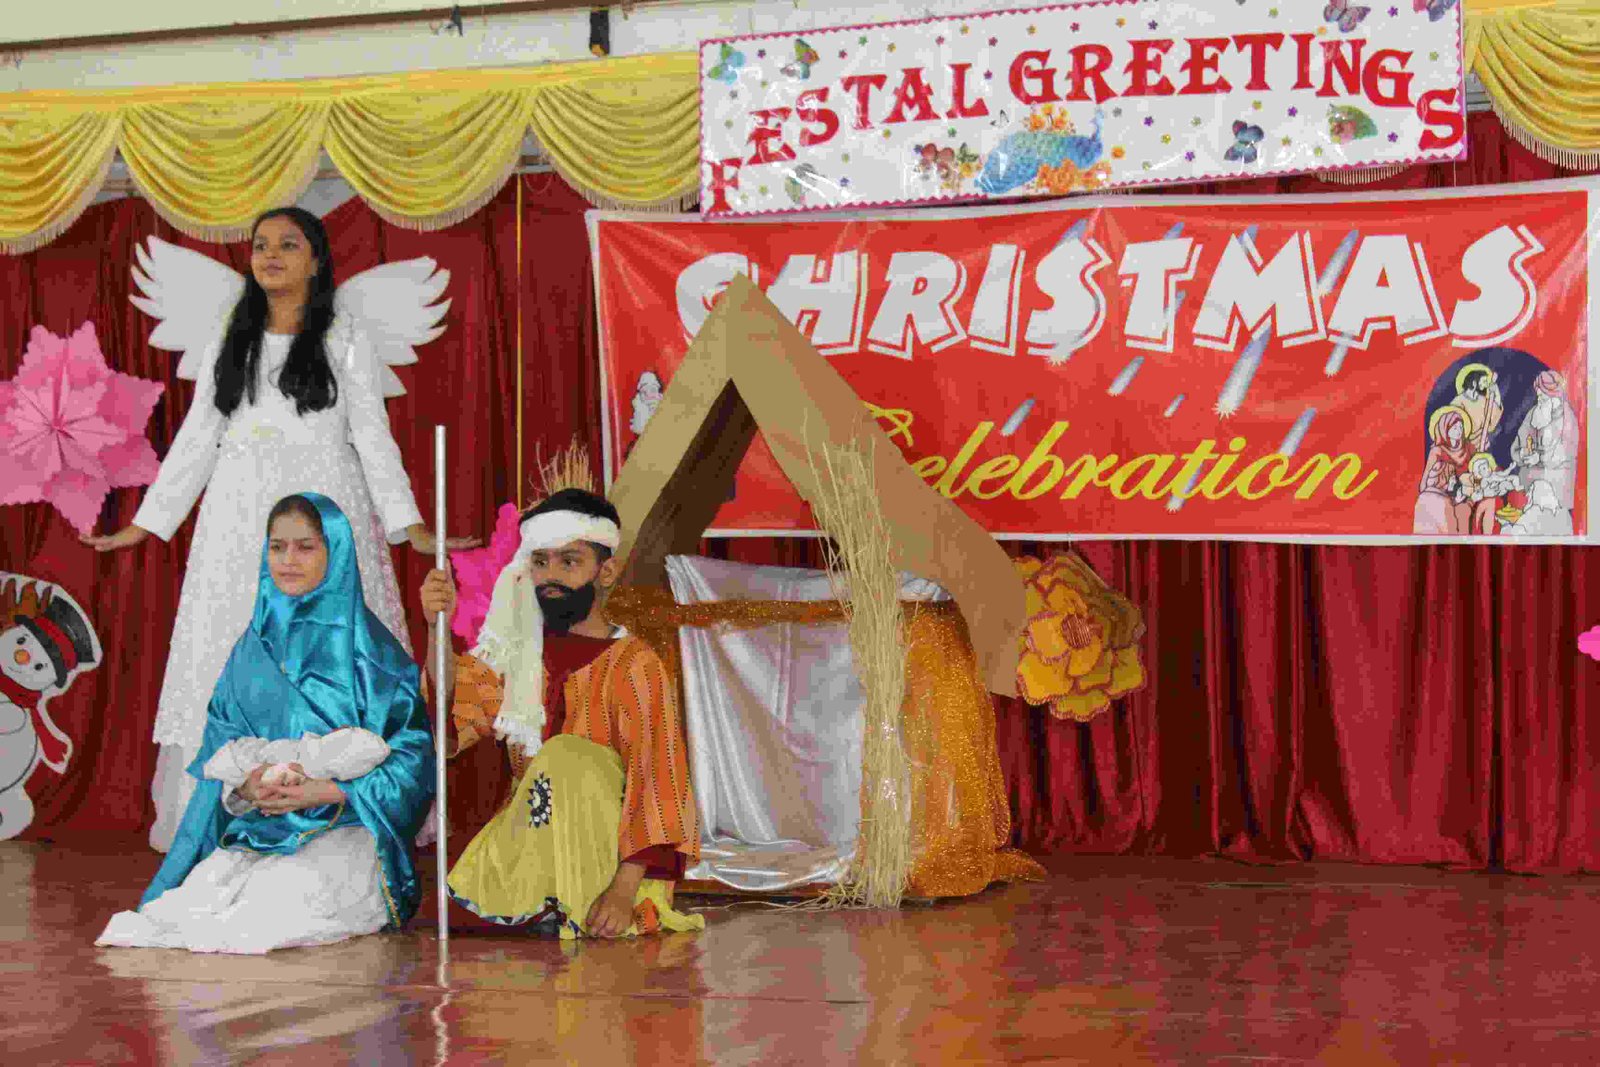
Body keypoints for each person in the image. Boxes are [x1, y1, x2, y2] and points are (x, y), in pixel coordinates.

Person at [81, 208, 475, 852]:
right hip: (239, 514)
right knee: (233, 640)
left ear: (315, 260)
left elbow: (373, 436)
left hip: (326, 505)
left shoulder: (344, 335)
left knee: (330, 648)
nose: (270, 255)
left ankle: (338, 813)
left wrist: (409, 527)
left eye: (288, 245)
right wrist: (148, 525)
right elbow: (198, 437)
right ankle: (224, 812)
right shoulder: (230, 334)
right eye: (261, 245)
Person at [96, 494, 435, 954]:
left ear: (335, 553)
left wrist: (328, 791)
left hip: (347, 832)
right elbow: (221, 749)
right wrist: (246, 787)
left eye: (305, 547)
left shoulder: (372, 655)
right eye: (277, 547)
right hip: (262, 828)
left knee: (270, 912)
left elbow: (413, 764)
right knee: (187, 909)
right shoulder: (251, 648)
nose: (288, 560)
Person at [419, 488, 702, 939]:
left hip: (615, 863)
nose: (550, 576)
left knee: (566, 754)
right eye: (540, 561)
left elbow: (658, 784)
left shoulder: (636, 662)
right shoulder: (517, 652)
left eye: (569, 562)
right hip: (532, 841)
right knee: (435, 912)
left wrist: (622, 893)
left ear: (605, 571)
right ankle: (541, 897)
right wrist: (438, 628)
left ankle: (577, 899)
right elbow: (454, 715)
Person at [1510, 370, 1579, 512]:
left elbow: (1565, 454)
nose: (1539, 399)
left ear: (1554, 396)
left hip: (1556, 483)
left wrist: (1539, 458)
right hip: (1529, 482)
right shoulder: (1535, 413)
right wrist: (1522, 453)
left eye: (1543, 396)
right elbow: (1517, 444)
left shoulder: (1567, 418)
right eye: (1538, 396)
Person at [1414, 408, 1473, 535]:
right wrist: (1427, 491)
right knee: (1430, 502)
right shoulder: (1437, 451)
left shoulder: (1468, 448)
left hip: (1464, 493)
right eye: (1454, 428)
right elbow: (1425, 478)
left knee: (1462, 510)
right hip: (1440, 492)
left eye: (1460, 427)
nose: (1459, 431)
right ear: (1445, 429)